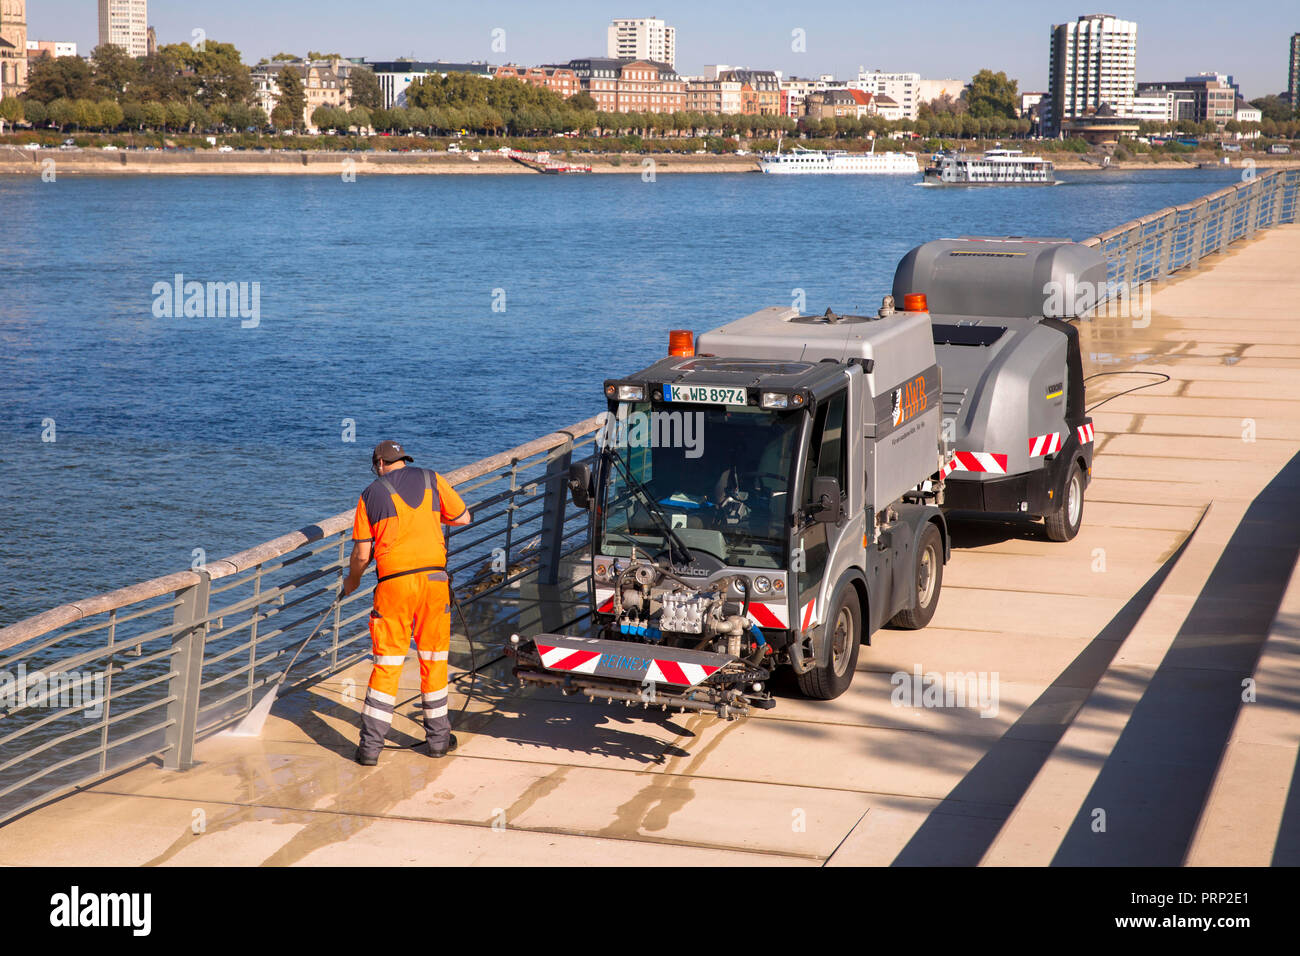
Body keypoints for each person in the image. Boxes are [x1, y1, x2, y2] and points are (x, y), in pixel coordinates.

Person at [342, 440, 471, 765]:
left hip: (394, 586)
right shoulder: (432, 478)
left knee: (387, 664)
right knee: (434, 659)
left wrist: (352, 582)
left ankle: (370, 750)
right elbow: (463, 517)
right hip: (434, 582)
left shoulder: (371, 493)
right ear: (402, 461)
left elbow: (361, 554)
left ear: (379, 465)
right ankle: (439, 741)